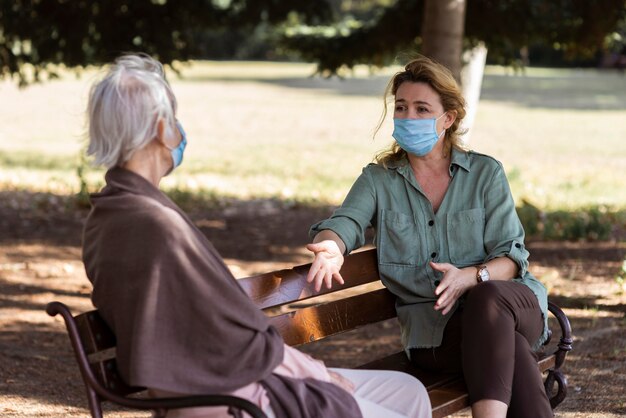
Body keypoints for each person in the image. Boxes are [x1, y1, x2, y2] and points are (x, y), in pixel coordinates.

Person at [80, 53, 432, 418]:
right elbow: (235, 338)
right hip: (226, 395)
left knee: (408, 392)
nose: (178, 129)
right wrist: (316, 374)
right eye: (173, 117)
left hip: (210, 381)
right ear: (159, 128)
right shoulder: (154, 224)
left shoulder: (112, 215)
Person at [306, 55, 553, 418]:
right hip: (436, 335)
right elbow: (346, 222)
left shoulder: (485, 174)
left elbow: (511, 259)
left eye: (422, 109)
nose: (409, 118)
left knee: (489, 299)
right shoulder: (379, 180)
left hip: (512, 306)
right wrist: (331, 245)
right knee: (508, 349)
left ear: (447, 118)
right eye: (402, 108)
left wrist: (469, 277)